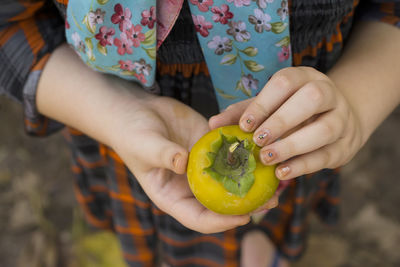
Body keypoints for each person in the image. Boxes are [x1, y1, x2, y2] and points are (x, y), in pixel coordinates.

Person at [1, 0, 399, 266]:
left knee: (272, 206)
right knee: (159, 232)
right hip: (114, 120)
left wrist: (355, 103)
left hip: (298, 131)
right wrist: (116, 115)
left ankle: (258, 248)